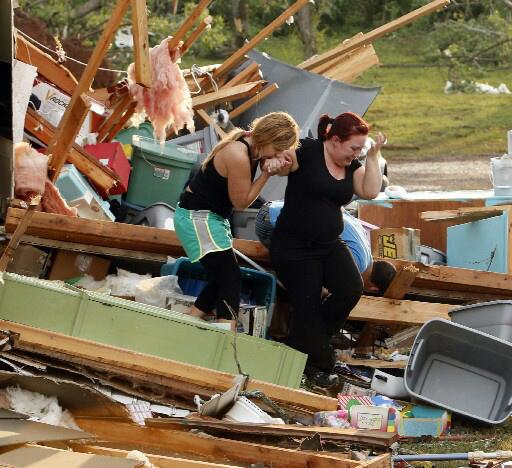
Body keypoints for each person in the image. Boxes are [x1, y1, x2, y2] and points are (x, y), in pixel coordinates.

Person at [269, 112, 386, 384]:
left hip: (329, 244)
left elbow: (370, 191)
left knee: (351, 287)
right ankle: (320, 363)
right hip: (295, 247)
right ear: (334, 139)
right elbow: (285, 163)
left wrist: (372, 156)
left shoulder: (351, 164)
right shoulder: (308, 150)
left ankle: (304, 346)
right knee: (307, 304)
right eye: (353, 148)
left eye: (360, 148)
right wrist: (278, 162)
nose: (355, 153)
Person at [174, 112, 300, 327]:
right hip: (198, 218)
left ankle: (187, 321)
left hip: (209, 217)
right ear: (267, 138)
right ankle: (226, 337)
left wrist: (275, 161)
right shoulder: (239, 154)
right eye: (277, 149)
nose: (278, 154)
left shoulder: (253, 144)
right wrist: (266, 176)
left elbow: (271, 165)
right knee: (231, 280)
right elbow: (241, 203)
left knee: (223, 277)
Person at [255, 202, 396, 293]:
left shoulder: (365, 245)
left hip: (273, 207)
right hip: (269, 222)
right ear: (372, 288)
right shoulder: (356, 265)